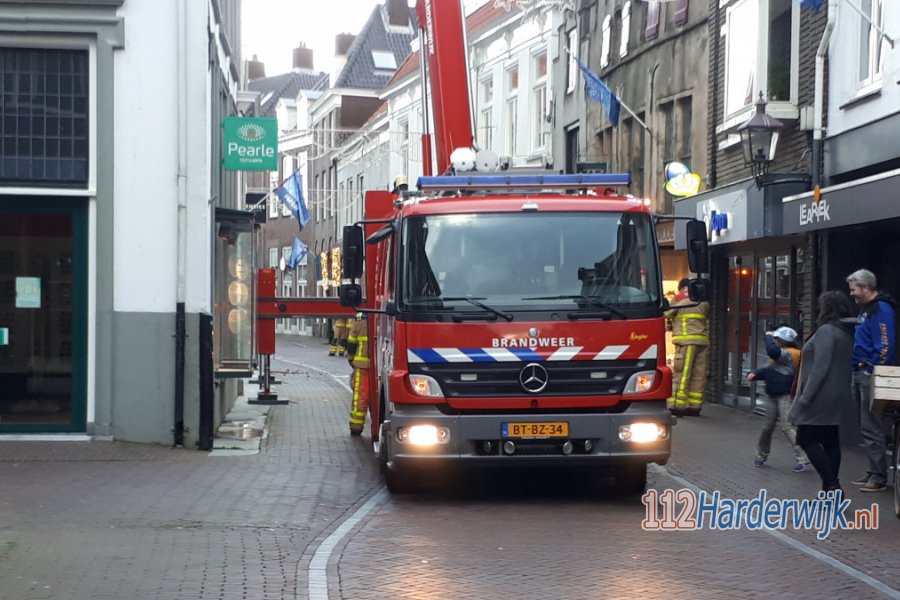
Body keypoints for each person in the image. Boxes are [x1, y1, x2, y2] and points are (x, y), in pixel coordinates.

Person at [789, 291, 856, 493]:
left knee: (805, 438)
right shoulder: (846, 332)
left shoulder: (827, 331)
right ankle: (829, 492)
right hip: (838, 394)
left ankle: (832, 485)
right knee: (830, 440)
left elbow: (820, 367)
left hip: (820, 395)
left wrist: (805, 398)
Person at [846, 268, 896, 492]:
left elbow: (886, 344)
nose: (851, 294)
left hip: (868, 373)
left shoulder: (880, 309)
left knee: (871, 425)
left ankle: (878, 476)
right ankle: (874, 470)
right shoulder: (868, 309)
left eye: (854, 289)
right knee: (865, 424)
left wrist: (872, 369)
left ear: (866, 287)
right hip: (860, 371)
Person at [749, 326, 810, 472]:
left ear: (783, 340)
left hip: (784, 395)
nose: (774, 341)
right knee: (767, 427)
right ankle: (761, 455)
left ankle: (803, 457)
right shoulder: (780, 354)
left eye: (776, 339)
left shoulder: (791, 353)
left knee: (786, 426)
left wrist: (768, 336)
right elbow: (770, 369)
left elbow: (773, 352)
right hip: (771, 393)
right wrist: (756, 374)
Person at [666, 277, 711, 416]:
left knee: (682, 374)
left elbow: (667, 313)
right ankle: (694, 406)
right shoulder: (703, 301)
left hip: (686, 342)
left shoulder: (680, 299)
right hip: (702, 342)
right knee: (699, 375)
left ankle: (676, 405)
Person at [346, 312, 371, 436]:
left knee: (361, 396)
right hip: (381, 364)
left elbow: (351, 343)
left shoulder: (359, 320)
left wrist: (351, 360)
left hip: (362, 366)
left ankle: (356, 426)